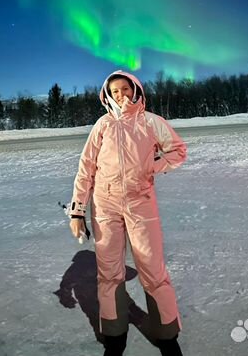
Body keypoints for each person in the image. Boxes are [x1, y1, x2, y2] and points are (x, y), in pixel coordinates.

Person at [68, 70, 187, 356]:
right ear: (108, 95)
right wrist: (77, 211)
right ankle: (114, 337)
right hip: (105, 205)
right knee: (109, 274)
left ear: (135, 90)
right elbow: (86, 168)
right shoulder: (103, 125)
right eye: (115, 91)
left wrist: (152, 168)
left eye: (125, 89)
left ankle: (167, 335)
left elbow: (178, 151)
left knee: (153, 271)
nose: (121, 95)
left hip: (141, 203)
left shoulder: (150, 122)